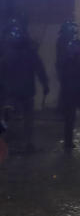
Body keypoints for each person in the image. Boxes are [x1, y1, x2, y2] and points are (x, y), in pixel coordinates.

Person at [0, 22, 49, 152]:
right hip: (27, 91)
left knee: (8, 116)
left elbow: (2, 71)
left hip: (12, 92)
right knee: (28, 118)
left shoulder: (7, 54)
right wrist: (45, 85)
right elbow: (40, 70)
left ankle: (7, 140)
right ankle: (27, 142)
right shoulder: (30, 53)